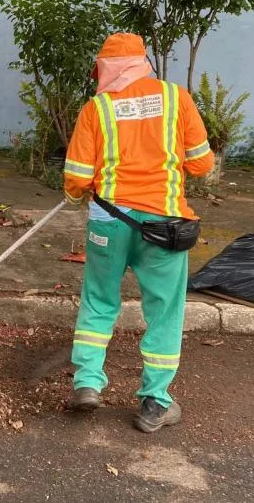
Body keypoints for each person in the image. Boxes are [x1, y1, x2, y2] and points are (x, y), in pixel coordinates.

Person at [62, 33, 215, 433]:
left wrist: (80, 190)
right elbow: (201, 163)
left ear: (104, 69)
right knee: (164, 311)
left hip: (108, 222)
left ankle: (88, 383)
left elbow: (76, 178)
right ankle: (154, 404)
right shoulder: (175, 97)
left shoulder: (96, 109)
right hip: (163, 226)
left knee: (98, 301)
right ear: (143, 62)